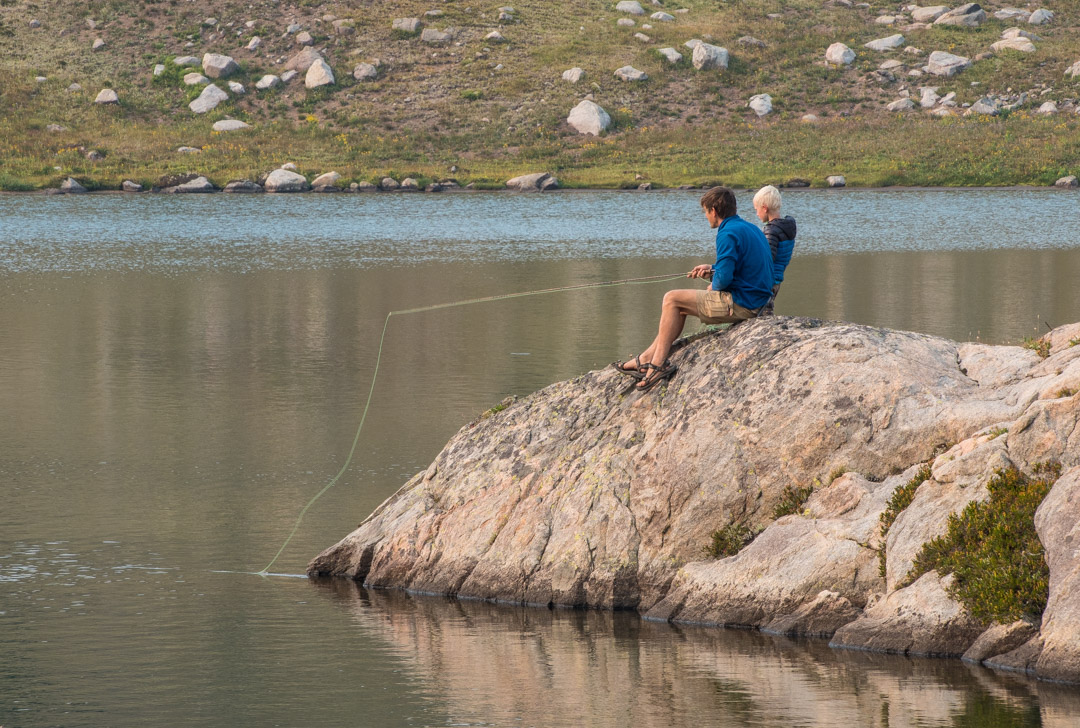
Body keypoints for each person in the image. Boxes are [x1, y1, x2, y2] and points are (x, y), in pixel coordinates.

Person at [615, 186, 774, 391]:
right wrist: (712, 269)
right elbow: (742, 267)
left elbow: (724, 279)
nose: (706, 216)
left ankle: (657, 364)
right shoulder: (749, 228)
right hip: (758, 300)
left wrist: (714, 286)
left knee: (672, 299)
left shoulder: (727, 233)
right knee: (678, 305)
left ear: (714, 211)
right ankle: (646, 358)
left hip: (744, 304)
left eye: (706, 211)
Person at [752, 185, 797, 315]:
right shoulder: (787, 226)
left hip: (769, 282)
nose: (757, 213)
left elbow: (766, 259)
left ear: (764, 208)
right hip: (777, 279)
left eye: (757, 209)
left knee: (764, 313)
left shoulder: (771, 231)